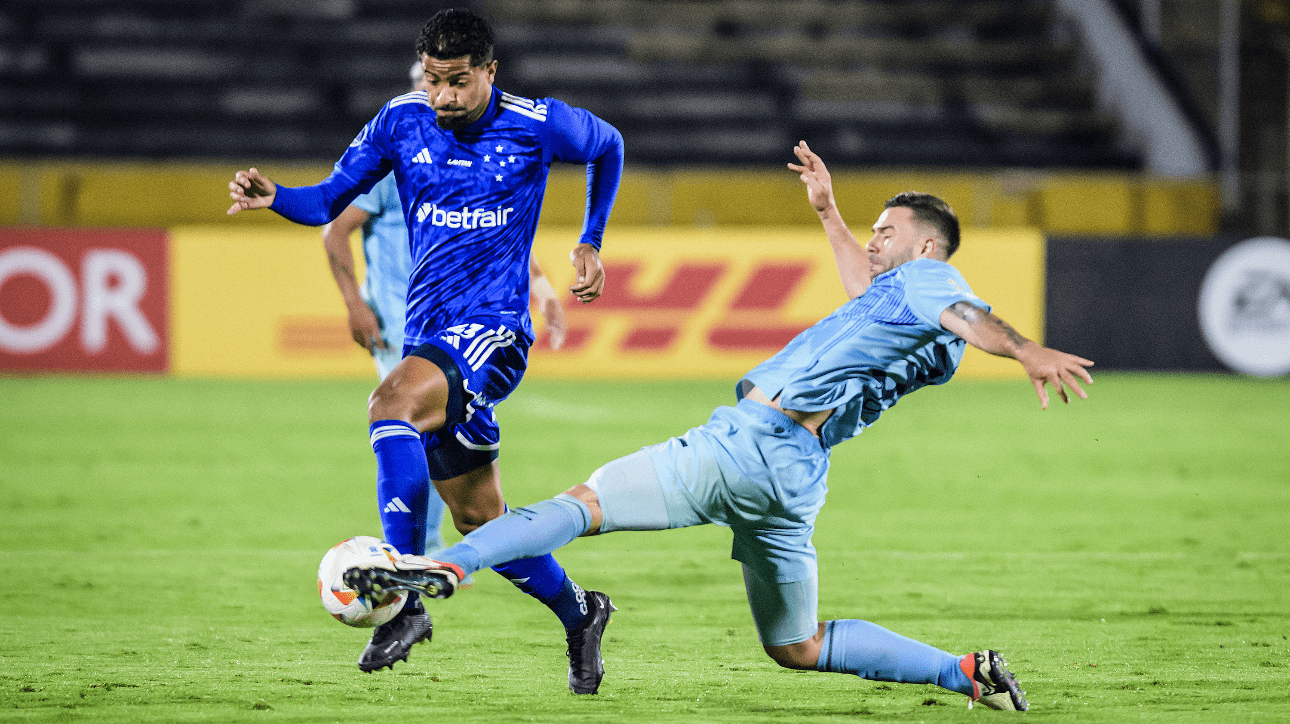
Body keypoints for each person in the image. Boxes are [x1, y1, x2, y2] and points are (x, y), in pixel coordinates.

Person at [344, 141, 1096, 709]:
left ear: (927, 246)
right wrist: (828, 213)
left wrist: (1027, 351)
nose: (875, 239)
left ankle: (445, 566)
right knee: (797, 646)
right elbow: (891, 300)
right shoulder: (920, 329)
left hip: (745, 444)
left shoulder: (936, 279)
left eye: (886, 230)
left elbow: (964, 310)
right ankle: (964, 674)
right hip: (795, 482)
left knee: (581, 506)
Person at [227, 8, 623, 692]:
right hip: (429, 334)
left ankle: (403, 605)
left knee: (391, 402)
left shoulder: (536, 124)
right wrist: (276, 197)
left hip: (494, 333)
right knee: (479, 519)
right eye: (435, 81)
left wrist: (590, 238)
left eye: (459, 82)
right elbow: (327, 203)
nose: (443, 96)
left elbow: (608, 144)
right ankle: (581, 611)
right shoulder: (399, 122)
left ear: (489, 74)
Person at [320, 61, 569, 564]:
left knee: (431, 446)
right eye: (428, 87)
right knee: (409, 420)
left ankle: (422, 560)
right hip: (405, 321)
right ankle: (424, 556)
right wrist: (356, 303)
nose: (439, 100)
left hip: (469, 326)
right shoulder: (394, 164)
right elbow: (334, 227)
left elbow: (505, 239)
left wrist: (542, 290)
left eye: (450, 87)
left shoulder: (474, 158)